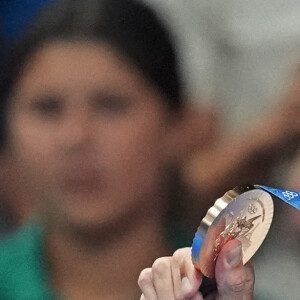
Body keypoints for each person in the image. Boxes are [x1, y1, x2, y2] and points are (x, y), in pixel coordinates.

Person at [0, 0, 255, 299]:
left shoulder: (235, 291)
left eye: (111, 105)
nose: (75, 136)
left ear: (179, 125)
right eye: (47, 108)